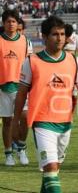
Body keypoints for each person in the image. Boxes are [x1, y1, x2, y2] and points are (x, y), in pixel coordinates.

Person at [12, 15, 78, 193]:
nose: (60, 38)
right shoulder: (32, 62)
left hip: (65, 123)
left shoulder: (73, 60)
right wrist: (16, 120)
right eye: (54, 34)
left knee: (52, 171)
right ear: (44, 37)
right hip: (42, 122)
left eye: (62, 34)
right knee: (51, 168)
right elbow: (21, 94)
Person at [0, 9, 29, 166]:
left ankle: (22, 148)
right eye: (8, 21)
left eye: (13, 21)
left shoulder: (25, 41)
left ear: (18, 24)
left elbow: (29, 63)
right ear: (3, 23)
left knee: (25, 119)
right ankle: (8, 154)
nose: (11, 24)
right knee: (8, 122)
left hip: (22, 87)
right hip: (3, 87)